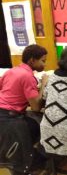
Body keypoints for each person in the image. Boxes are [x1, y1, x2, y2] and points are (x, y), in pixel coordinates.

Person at [0, 44, 48, 173]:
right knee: (42, 124)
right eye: (43, 61)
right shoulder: (27, 76)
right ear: (32, 60)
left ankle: (28, 154)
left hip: (2, 113)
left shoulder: (11, 71)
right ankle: (36, 159)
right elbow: (36, 107)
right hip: (10, 118)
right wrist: (43, 84)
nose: (45, 65)